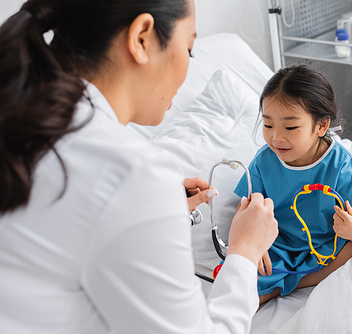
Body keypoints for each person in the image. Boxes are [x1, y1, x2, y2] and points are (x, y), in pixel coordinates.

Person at [0, 0, 278, 333]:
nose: (188, 67)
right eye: (188, 50)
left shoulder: (26, 121)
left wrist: (154, 213)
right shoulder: (131, 175)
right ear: (142, 38)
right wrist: (245, 252)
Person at [234, 65, 352, 304]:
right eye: (268, 125)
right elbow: (244, 213)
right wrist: (255, 248)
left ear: (321, 126)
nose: (277, 138)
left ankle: (293, 282)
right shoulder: (265, 161)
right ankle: (288, 281)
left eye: (290, 127)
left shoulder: (341, 166)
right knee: (243, 282)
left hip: (326, 248)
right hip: (278, 245)